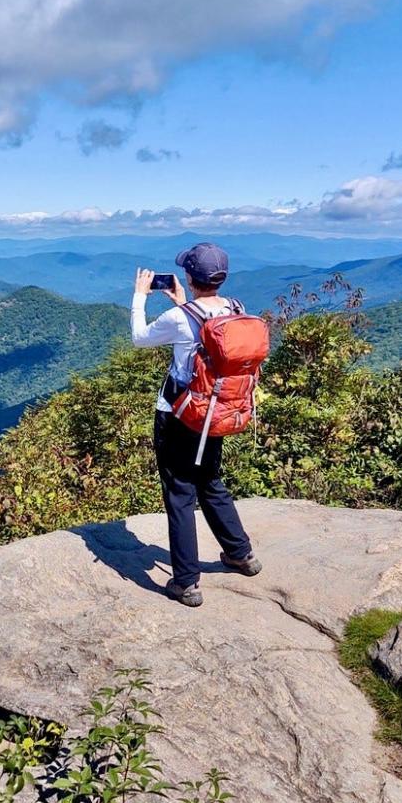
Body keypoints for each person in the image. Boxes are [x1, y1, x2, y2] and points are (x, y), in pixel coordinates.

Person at [131, 242, 260, 608]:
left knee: (180, 493)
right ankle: (241, 554)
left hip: (179, 415)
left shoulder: (178, 318)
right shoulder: (236, 309)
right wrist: (182, 301)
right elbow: (206, 332)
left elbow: (139, 338)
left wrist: (140, 297)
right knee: (210, 481)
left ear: (189, 276)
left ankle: (186, 582)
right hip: (217, 413)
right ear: (221, 277)